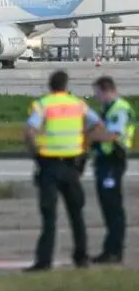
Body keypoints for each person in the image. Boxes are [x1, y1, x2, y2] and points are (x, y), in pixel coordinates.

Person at [23, 70, 109, 272]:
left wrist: (35, 152)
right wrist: (84, 144)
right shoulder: (77, 104)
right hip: (72, 165)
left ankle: (44, 261)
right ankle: (81, 257)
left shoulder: (43, 104)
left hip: (49, 164)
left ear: (50, 85)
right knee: (76, 214)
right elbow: (97, 125)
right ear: (66, 85)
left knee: (49, 216)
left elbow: (30, 131)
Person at [90, 76, 135, 264]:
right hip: (105, 161)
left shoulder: (119, 109)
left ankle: (114, 250)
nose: (97, 97)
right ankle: (111, 248)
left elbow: (113, 135)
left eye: (97, 93)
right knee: (108, 206)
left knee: (113, 206)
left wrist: (92, 135)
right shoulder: (108, 109)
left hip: (113, 161)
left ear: (105, 90)